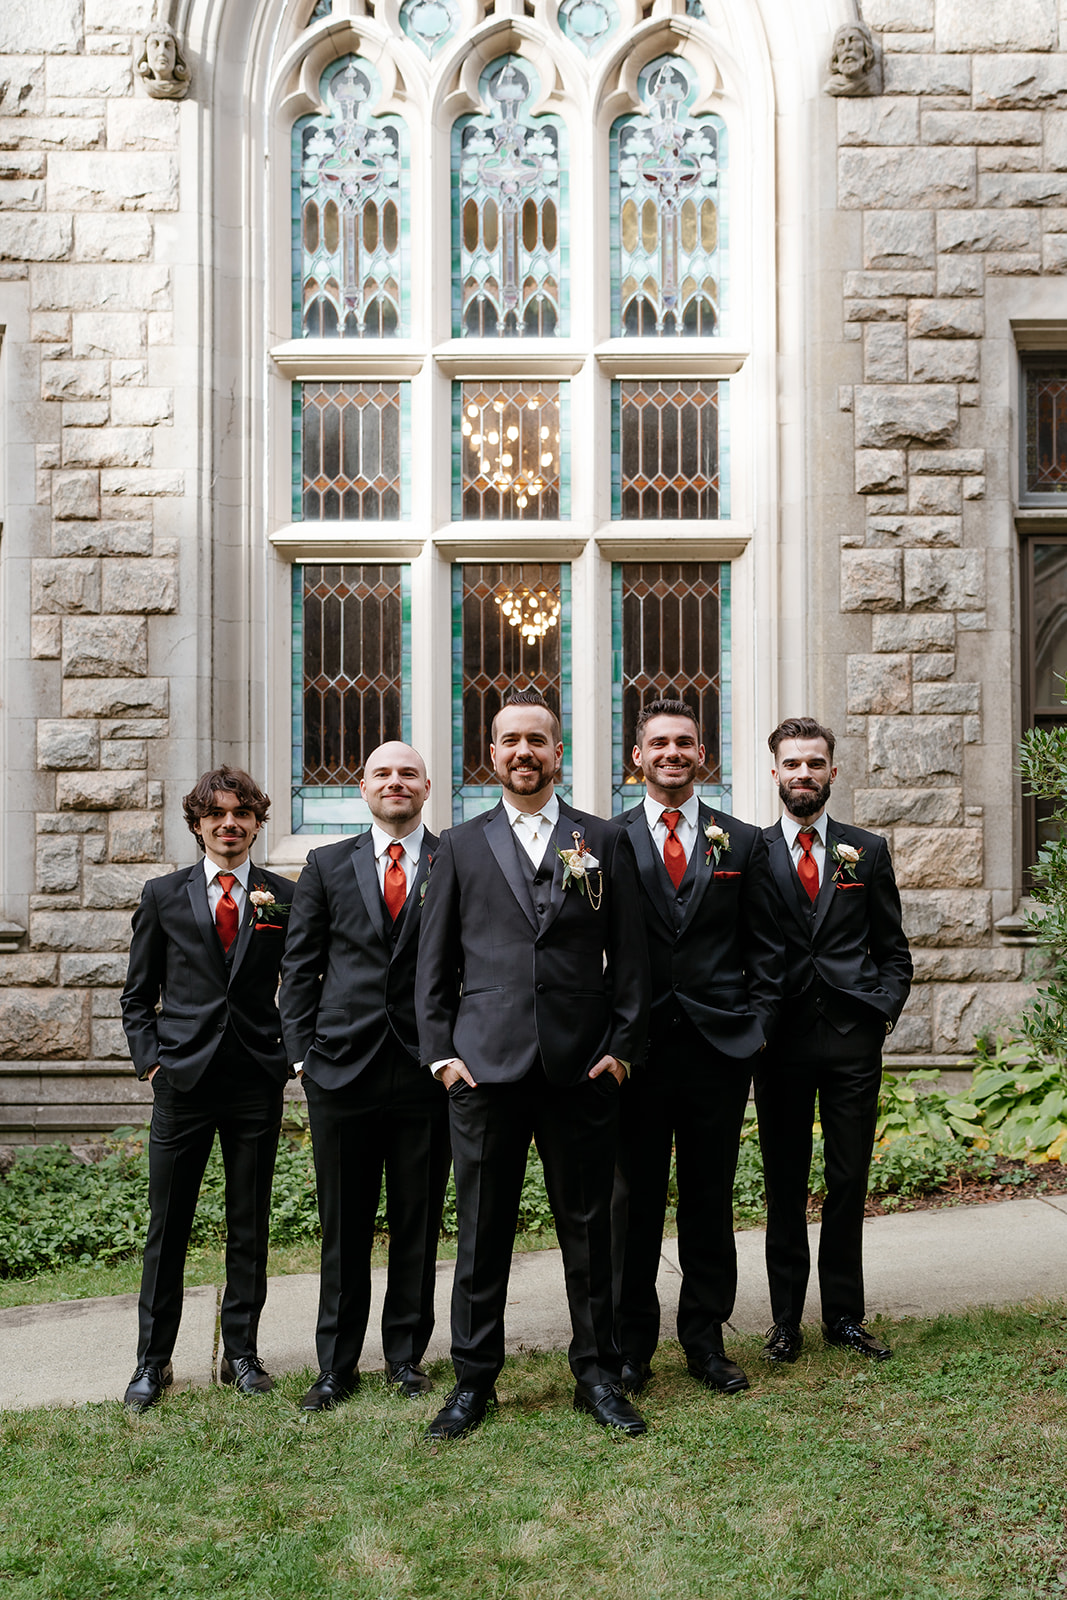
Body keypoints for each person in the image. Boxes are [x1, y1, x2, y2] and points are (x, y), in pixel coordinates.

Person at [416, 687, 650, 1440]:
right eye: (509, 741)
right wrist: (443, 1057)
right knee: (482, 1234)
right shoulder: (457, 845)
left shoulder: (602, 842)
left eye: (537, 741)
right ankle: (472, 1383)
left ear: (558, 753)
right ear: (491, 755)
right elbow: (433, 966)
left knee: (589, 1231)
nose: (524, 753)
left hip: (580, 1070)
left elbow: (633, 959)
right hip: (483, 1072)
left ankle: (598, 1376)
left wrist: (618, 1051)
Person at [612, 699, 783, 1397]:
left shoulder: (740, 841)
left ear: (701, 754)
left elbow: (765, 947)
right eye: (659, 743)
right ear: (637, 757)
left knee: (709, 1199)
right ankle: (629, 1348)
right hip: (636, 1049)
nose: (672, 753)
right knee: (633, 1202)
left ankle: (706, 1341)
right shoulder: (606, 840)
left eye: (684, 742)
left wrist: (755, 1029)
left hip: (717, 1048)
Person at [279, 742, 449, 1412]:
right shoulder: (326, 865)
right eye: (383, 773)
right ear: (363, 787)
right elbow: (300, 968)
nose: (395, 782)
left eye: (407, 773)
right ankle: (335, 1366)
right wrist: (301, 1057)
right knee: (342, 1225)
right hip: (339, 1073)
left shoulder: (452, 859)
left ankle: (405, 1358)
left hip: (422, 1071)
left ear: (426, 786)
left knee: (417, 1220)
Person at [120, 768, 292, 1411]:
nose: (229, 824)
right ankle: (152, 1361)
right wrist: (152, 1064)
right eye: (216, 814)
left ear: (255, 822)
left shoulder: (283, 896)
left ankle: (242, 1355)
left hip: (254, 1079)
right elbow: (138, 996)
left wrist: (291, 1056)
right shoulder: (163, 895)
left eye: (242, 813)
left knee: (249, 1223)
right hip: (183, 1083)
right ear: (197, 824)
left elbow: (302, 983)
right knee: (168, 1226)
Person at [754, 717, 912, 1363]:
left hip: (851, 1040)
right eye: (791, 764)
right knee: (784, 1184)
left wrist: (881, 1012)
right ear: (774, 773)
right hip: (781, 1044)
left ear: (831, 772)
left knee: (848, 1180)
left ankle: (844, 1317)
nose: (802, 775)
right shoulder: (749, 851)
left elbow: (892, 949)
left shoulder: (864, 850)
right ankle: (785, 1321)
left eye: (813, 764)